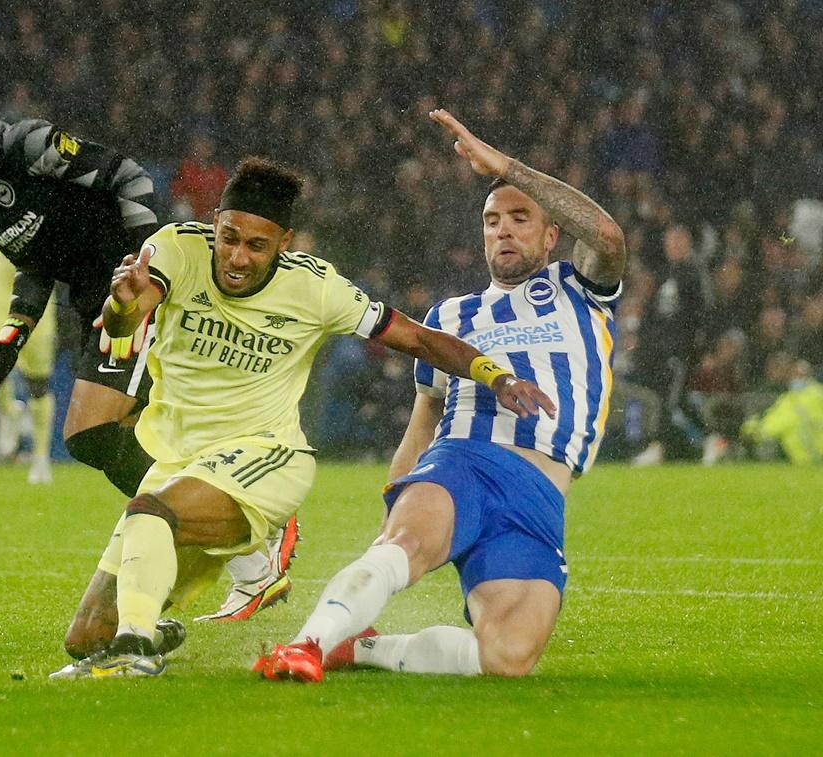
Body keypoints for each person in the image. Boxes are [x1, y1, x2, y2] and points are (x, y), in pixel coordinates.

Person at [51, 156, 554, 679]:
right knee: (86, 637)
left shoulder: (315, 288)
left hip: (266, 457)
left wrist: (494, 376)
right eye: (229, 237)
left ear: (285, 243)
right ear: (216, 221)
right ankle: (152, 622)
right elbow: (130, 310)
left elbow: (418, 338)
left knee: (150, 511)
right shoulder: (176, 247)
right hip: (180, 463)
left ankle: (137, 649)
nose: (237, 257)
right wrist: (121, 307)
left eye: (256, 245)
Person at [0, 65, 297, 618]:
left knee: (90, 431)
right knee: (136, 435)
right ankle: (245, 526)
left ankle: (252, 547)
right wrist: (15, 332)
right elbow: (33, 261)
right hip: (95, 308)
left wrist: (142, 273)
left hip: (135, 298)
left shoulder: (23, 144)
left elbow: (130, 178)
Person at [253, 108, 627, 682]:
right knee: (403, 547)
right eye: (491, 220)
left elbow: (605, 234)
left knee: (507, 658)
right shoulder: (453, 316)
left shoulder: (580, 290)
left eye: (520, 217)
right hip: (464, 462)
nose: (503, 228)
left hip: (539, 499)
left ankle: (354, 648)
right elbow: (423, 420)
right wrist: (394, 500)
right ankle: (306, 644)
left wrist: (504, 168)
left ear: (552, 234)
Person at [0, 231, 57, 481]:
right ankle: (9, 412)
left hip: (37, 311)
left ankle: (40, 457)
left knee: (38, 385)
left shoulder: (47, 210)